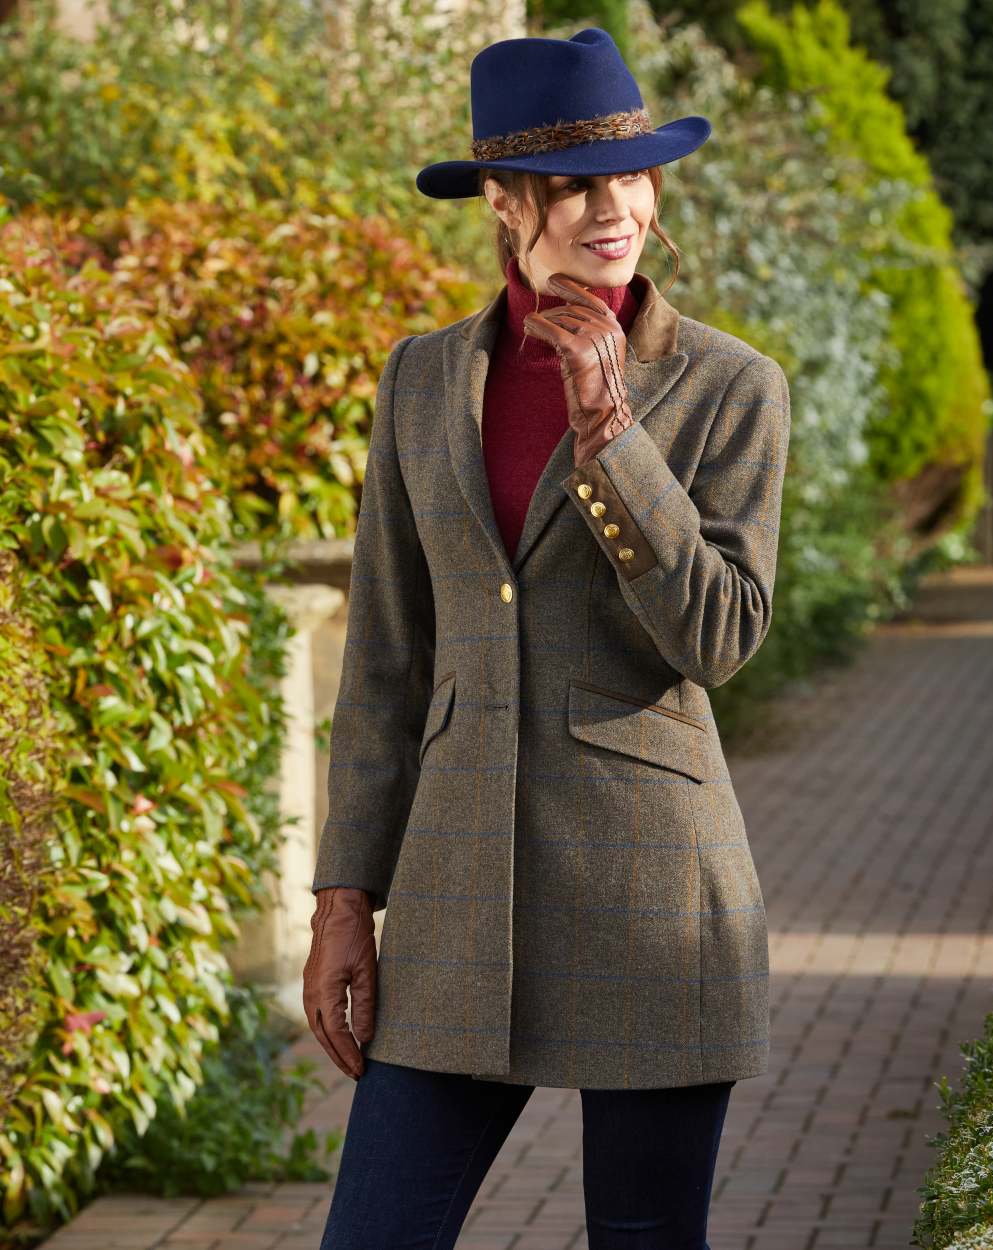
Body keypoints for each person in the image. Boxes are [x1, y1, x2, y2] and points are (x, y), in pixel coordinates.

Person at [303, 26, 792, 1250]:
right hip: (455, 904)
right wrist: (343, 897)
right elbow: (385, 660)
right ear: (503, 201)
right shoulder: (422, 381)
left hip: (652, 898)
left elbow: (721, 635)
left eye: (631, 174)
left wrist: (612, 434)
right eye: (574, 183)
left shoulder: (732, 387)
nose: (613, 208)